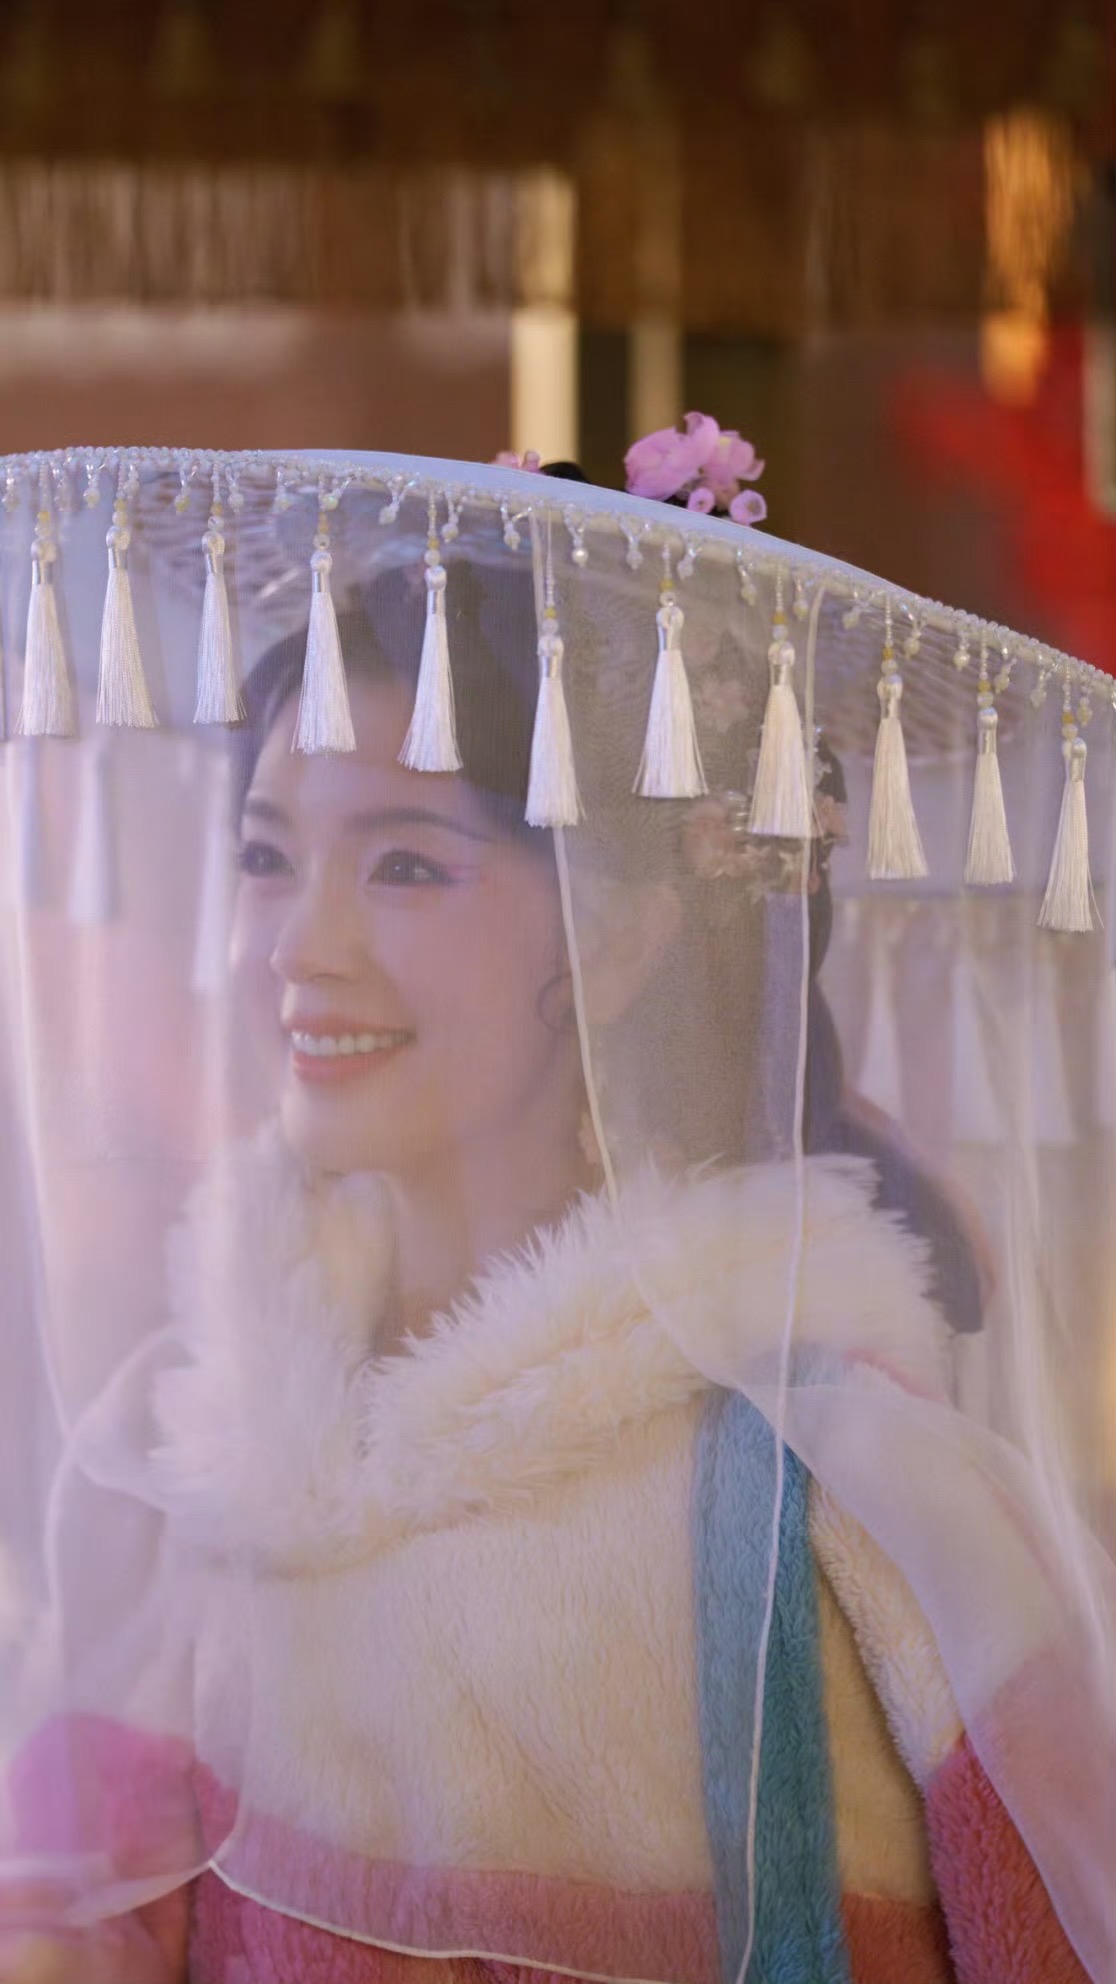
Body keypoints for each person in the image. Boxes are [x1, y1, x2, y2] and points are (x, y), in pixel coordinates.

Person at [0, 470, 1097, 1984]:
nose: (299, 946)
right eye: (264, 856)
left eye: (405, 864)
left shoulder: (851, 1493)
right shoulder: (189, 1454)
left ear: (626, 928)